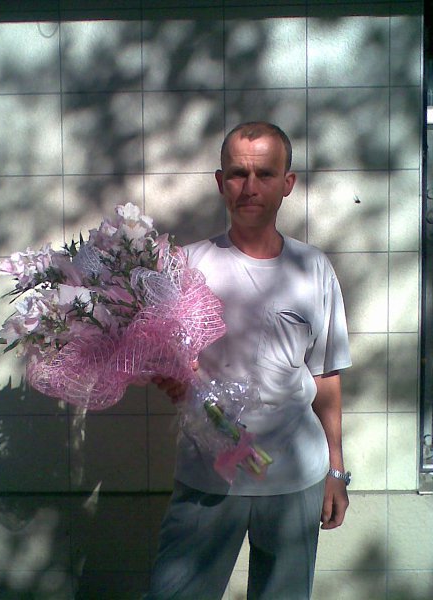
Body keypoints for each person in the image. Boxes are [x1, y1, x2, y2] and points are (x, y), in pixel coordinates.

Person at [147, 122, 352, 600]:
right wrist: (169, 376)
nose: (250, 187)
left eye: (265, 174)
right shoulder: (186, 266)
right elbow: (165, 359)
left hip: (296, 477)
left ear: (288, 183)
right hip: (208, 477)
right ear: (221, 182)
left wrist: (336, 470)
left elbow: (325, 377)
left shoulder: (313, 268)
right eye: (238, 174)